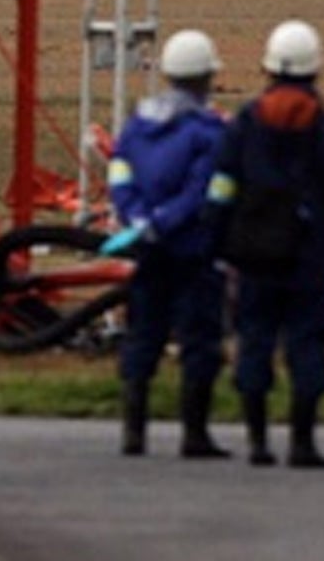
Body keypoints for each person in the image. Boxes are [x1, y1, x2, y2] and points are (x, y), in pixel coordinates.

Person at [208, 19, 324, 469]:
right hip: (311, 255)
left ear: (269, 67)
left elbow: (222, 187)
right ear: (315, 69)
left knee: (254, 339)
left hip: (254, 253)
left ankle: (257, 439)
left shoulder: (245, 123)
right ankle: (302, 441)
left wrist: (219, 242)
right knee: (308, 343)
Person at [103, 28, 231, 459]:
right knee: (199, 338)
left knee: (144, 333)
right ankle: (194, 433)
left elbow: (119, 172)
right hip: (192, 249)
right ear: (205, 78)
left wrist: (137, 219)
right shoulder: (208, 130)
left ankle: (132, 431)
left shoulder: (140, 124)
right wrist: (167, 221)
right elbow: (206, 188)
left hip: (147, 246)